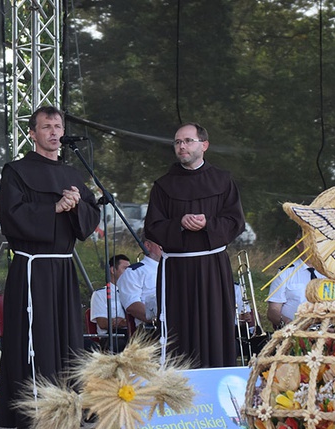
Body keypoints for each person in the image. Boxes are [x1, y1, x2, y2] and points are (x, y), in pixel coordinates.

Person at [0, 105, 100, 429]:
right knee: (35, 338)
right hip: (32, 269)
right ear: (33, 133)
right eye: (46, 127)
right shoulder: (16, 171)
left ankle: (67, 409)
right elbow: (11, 217)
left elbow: (90, 220)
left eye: (57, 126)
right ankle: (36, 411)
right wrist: (54, 207)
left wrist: (77, 205)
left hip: (63, 270)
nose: (54, 132)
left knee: (67, 339)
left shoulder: (72, 175)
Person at [144, 122, 245, 368]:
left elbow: (235, 221)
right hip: (177, 273)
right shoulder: (163, 185)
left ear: (204, 145)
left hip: (213, 268)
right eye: (178, 142)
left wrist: (207, 224)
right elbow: (152, 227)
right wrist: (179, 223)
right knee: (180, 332)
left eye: (188, 141)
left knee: (215, 328)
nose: (182, 146)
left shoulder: (223, 180)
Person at [266, 235, 323, 329]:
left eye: (317, 241)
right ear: (298, 243)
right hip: (296, 334)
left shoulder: (330, 274)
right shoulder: (285, 273)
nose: (313, 245)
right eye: (309, 241)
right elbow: (273, 310)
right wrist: (287, 322)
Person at [89, 254, 130, 351]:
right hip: (112, 337)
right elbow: (102, 323)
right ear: (112, 270)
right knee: (119, 344)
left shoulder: (133, 292)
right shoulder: (100, 294)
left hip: (132, 333)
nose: (129, 273)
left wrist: (123, 322)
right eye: (125, 269)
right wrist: (126, 323)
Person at [118, 240, 162, 329]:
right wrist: (162, 319)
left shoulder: (176, 269)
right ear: (148, 246)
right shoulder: (134, 272)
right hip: (152, 329)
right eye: (161, 243)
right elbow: (132, 305)